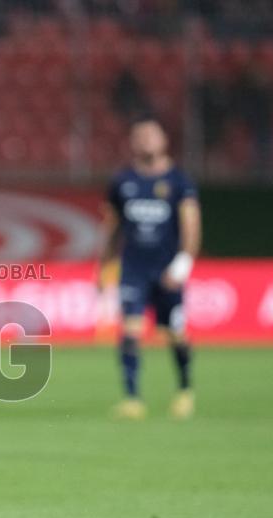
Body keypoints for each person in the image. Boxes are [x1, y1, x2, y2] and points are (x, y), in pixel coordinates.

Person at [97, 117, 202, 420]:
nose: (145, 141)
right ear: (132, 143)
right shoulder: (122, 182)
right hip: (133, 268)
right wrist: (103, 268)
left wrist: (181, 266)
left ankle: (184, 390)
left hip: (167, 270)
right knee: (130, 330)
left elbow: (191, 228)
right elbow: (112, 228)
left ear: (164, 141)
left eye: (151, 136)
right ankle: (132, 398)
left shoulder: (179, 183)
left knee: (174, 333)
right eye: (139, 136)